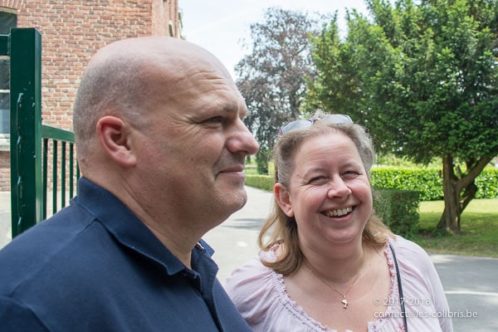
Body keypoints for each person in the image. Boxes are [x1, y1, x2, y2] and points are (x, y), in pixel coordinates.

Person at [0, 37, 259, 331]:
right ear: (119, 140)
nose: (250, 143)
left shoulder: (187, 260)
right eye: (214, 119)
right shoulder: (31, 305)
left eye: (242, 120)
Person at [226, 113, 453, 331]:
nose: (340, 189)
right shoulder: (248, 296)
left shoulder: (412, 263)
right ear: (286, 199)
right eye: (318, 178)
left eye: (350, 173)